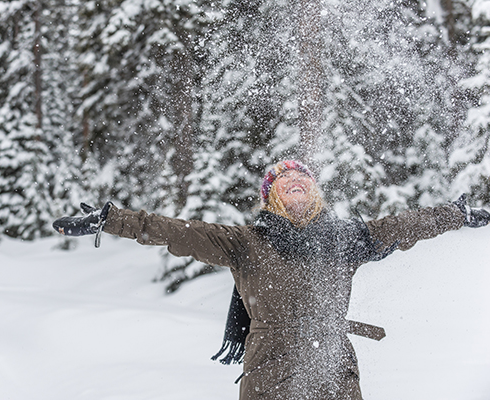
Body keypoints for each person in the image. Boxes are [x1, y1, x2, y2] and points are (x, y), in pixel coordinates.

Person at [53, 160, 490, 400]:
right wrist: (112, 220)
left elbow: (405, 225)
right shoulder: (245, 242)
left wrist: (455, 214)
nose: (294, 182)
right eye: (284, 180)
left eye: (302, 178)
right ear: (271, 197)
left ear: (315, 192)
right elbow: (176, 232)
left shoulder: (347, 239)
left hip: (335, 370)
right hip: (270, 372)